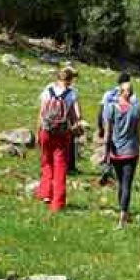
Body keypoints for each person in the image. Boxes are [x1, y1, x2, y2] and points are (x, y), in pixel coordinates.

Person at [102, 72, 140, 228]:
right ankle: (123, 216)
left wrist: (105, 152)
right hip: (131, 151)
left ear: (120, 92)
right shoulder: (136, 110)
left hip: (116, 152)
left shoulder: (111, 108)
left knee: (121, 182)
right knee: (127, 184)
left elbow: (108, 133)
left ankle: (122, 211)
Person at [36, 68, 79, 212]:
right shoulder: (71, 94)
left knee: (46, 161)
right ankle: (57, 203)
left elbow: (41, 112)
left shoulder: (48, 90)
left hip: (46, 131)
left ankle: (45, 193)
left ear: (57, 78)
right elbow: (75, 116)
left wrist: (38, 131)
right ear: (70, 80)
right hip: (62, 134)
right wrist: (75, 127)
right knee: (60, 167)